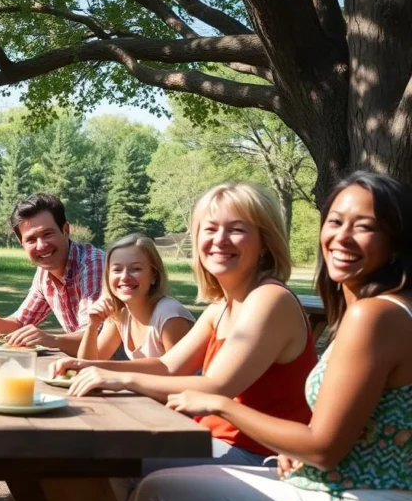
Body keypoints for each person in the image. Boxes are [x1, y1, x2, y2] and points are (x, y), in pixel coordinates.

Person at [133, 172, 412, 501]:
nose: (342, 237)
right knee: (150, 487)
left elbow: (322, 448)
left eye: (364, 227)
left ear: (396, 241)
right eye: (334, 222)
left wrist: (220, 404)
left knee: (157, 496)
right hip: (333, 489)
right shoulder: (371, 311)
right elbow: (344, 435)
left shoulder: (375, 316)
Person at [53, 182, 317, 473]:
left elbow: (216, 388)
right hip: (210, 439)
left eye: (237, 229)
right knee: (85, 451)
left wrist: (123, 380)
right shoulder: (221, 306)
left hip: (260, 456)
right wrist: (88, 366)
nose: (220, 239)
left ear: (265, 242)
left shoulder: (270, 298)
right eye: (210, 228)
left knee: (96, 458)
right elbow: (168, 366)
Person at [0, 193, 104, 356]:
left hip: (121, 370)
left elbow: (97, 337)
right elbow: (21, 322)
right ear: (22, 244)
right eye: (31, 240)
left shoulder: (92, 265)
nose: (41, 246)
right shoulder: (44, 273)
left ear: (65, 230)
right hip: (89, 367)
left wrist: (52, 340)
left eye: (47, 234)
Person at [77, 233, 194, 361]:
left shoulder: (169, 315)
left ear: (154, 276)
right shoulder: (121, 315)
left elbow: (178, 373)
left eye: (136, 269)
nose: (125, 277)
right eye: (117, 270)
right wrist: (92, 326)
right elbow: (88, 364)